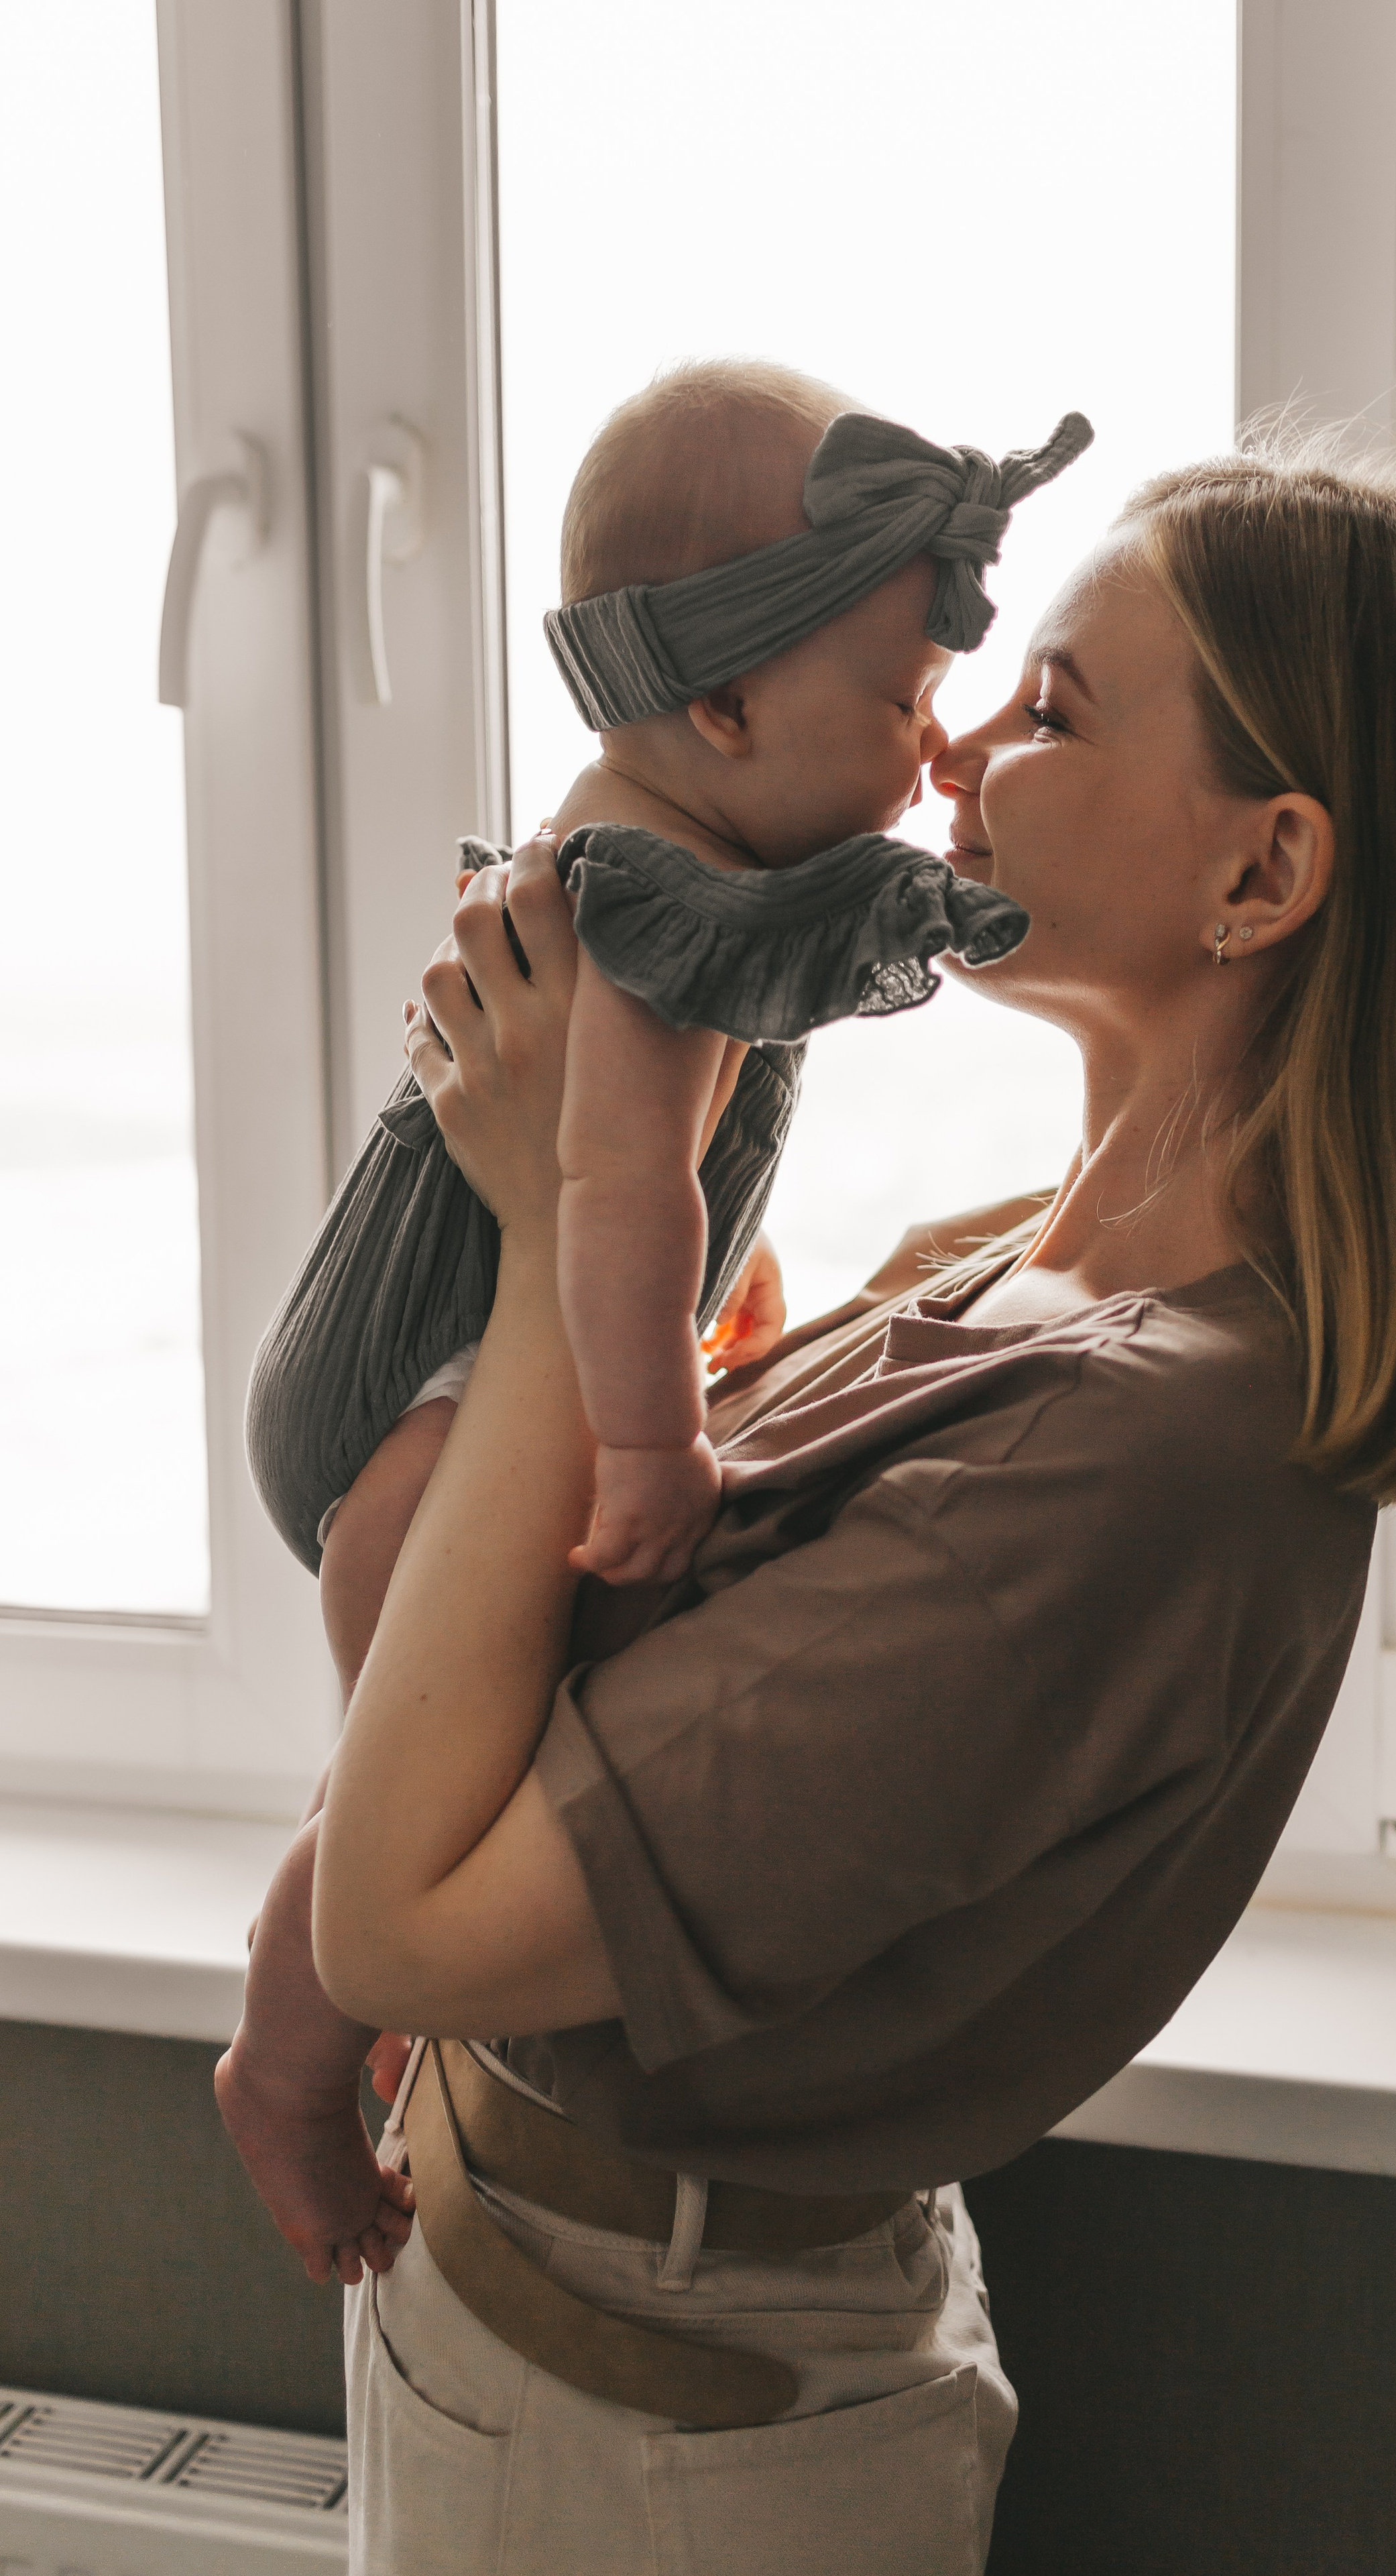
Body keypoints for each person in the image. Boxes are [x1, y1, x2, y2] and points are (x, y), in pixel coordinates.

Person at [310, 441, 1396, 2573]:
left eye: (1052, 707)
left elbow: (398, 1925)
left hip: (638, 2433)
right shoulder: (1035, 1249)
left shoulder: (1147, 1458)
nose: (954, 737)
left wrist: (569, 1241)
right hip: (554, 2310)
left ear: (1266, 870)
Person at [217, 361, 1089, 2294]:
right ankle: (285, 2072)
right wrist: (650, 1438)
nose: (930, 742)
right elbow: (609, 1194)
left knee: (421, 1779)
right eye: (902, 700)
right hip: (414, 1403)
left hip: (431, 1361)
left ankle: (312, 2045)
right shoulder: (665, 910)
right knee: (414, 1800)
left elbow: (651, 1186)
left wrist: (700, 1322)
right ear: (724, 705)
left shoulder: (679, 842)